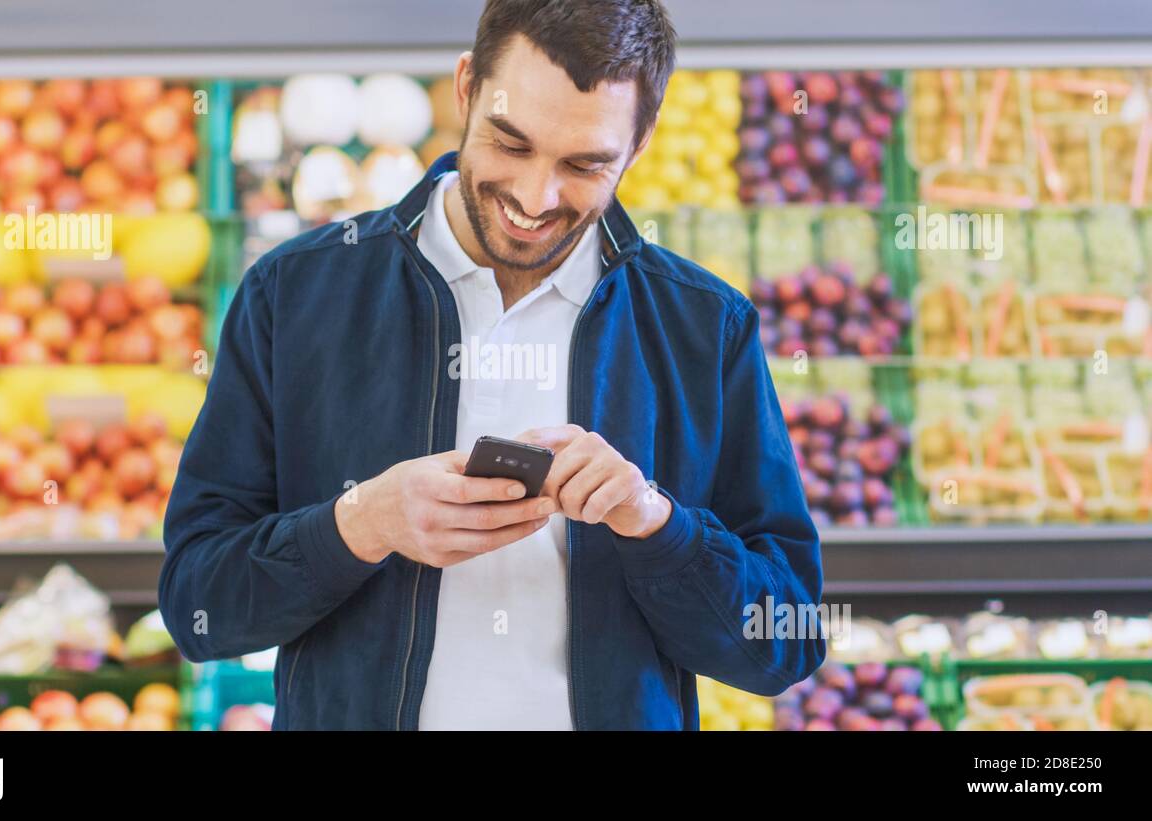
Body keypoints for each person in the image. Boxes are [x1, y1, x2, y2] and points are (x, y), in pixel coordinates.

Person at [160, 0, 825, 730]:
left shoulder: (704, 326)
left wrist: (657, 523)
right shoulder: (296, 294)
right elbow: (200, 609)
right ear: (466, 89)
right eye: (511, 144)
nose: (534, 198)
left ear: (639, 144)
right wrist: (361, 523)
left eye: (584, 164)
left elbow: (787, 640)